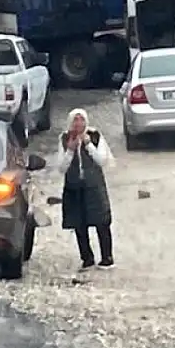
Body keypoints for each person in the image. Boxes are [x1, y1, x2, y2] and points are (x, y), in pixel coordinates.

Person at [57, 108, 115, 270]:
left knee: (101, 221)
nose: (78, 124)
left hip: (94, 186)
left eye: (81, 120)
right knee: (78, 223)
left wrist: (89, 145)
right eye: (75, 120)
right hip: (74, 187)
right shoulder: (64, 138)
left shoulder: (96, 136)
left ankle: (107, 257)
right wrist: (70, 150)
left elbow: (102, 160)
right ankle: (87, 258)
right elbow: (61, 168)